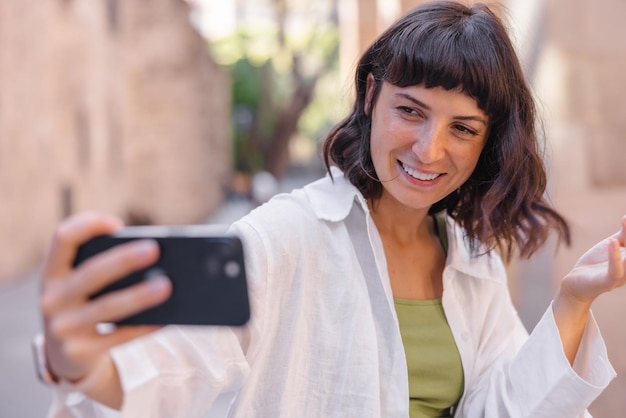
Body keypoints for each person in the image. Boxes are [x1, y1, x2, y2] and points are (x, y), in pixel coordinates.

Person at [36, 1, 624, 417]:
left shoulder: (471, 257)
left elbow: (503, 409)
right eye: (412, 111)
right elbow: (175, 368)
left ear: (486, 141)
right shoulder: (288, 235)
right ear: (370, 94)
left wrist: (574, 299)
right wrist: (81, 364)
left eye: (462, 128)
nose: (430, 149)